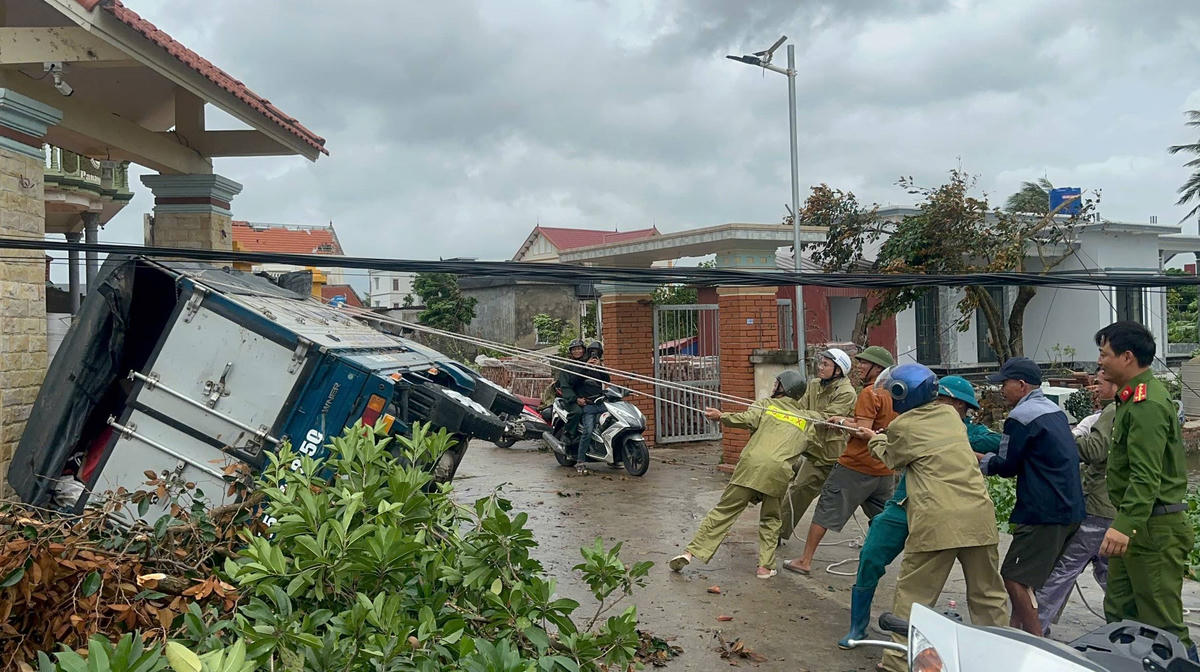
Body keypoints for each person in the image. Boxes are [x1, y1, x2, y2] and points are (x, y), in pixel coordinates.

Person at [854, 364, 1008, 672]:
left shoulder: (904, 426)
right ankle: (998, 658)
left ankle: (897, 660)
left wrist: (874, 438)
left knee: (915, 595)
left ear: (902, 394)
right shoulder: (951, 416)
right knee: (988, 595)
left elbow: (892, 458)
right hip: (978, 516)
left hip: (938, 520)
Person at [1094, 321, 1195, 658]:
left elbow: (1145, 476)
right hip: (1136, 524)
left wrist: (1124, 527)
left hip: (1153, 528)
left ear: (1127, 357)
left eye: (1105, 354)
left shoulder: (1147, 404)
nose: (1100, 361)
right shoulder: (1128, 400)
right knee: (1121, 616)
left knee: (1162, 626)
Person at [669, 370, 818, 579]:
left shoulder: (766, 405)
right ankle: (765, 567)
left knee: (723, 512)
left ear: (784, 388)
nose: (774, 385)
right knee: (771, 519)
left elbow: (745, 419)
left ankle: (690, 553)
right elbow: (815, 447)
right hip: (778, 473)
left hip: (751, 467)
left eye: (778, 383)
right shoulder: (806, 419)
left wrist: (721, 417)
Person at [980, 356, 1086, 635]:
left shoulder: (1020, 417)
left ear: (1022, 385)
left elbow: (1007, 466)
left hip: (1044, 512)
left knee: (1013, 577)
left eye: (1005, 383)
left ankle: (1037, 642)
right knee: (1028, 581)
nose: (1001, 389)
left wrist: (976, 458)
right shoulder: (1054, 411)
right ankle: (1018, 634)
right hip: (1071, 509)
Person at [784, 346, 897, 575]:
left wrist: (844, 424)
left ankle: (805, 560)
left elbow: (864, 431)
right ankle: (878, 556)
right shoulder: (895, 393)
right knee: (886, 517)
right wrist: (847, 420)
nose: (861, 366)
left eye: (866, 363)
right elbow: (874, 425)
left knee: (826, 510)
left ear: (878, 368)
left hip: (855, 464)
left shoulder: (867, 392)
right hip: (884, 466)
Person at [1035, 370, 1118, 636]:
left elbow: (1094, 450)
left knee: (1066, 566)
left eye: (1101, 383)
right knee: (1107, 570)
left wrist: (1065, 439)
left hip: (1098, 506)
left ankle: (1034, 624)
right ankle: (1125, 623)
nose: (1096, 388)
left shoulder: (1113, 412)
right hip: (1113, 504)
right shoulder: (1124, 410)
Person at [779, 348, 857, 541]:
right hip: (815, 453)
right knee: (798, 489)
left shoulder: (846, 392)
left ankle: (882, 535)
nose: (820, 368)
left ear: (838, 370)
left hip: (835, 456)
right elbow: (800, 407)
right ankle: (776, 533)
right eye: (820, 363)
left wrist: (800, 416)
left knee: (859, 499)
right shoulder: (813, 385)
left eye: (825, 365)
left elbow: (826, 419)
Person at [573, 340, 611, 472]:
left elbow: (607, 380)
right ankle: (580, 460)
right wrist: (586, 366)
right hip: (588, 405)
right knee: (588, 431)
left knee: (612, 427)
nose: (594, 356)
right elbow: (575, 380)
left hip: (601, 404)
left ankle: (613, 457)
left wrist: (600, 367)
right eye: (592, 353)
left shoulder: (599, 366)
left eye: (597, 354)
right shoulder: (581, 365)